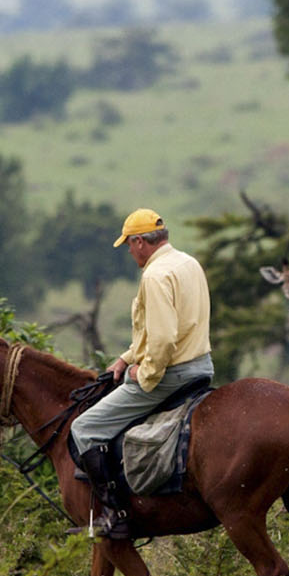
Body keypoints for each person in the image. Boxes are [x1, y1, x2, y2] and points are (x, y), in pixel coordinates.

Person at [70, 208, 213, 539]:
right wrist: (125, 357)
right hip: (201, 366)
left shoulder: (154, 275)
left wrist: (142, 374)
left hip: (170, 374)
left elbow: (162, 340)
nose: (130, 252)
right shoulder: (188, 263)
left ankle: (114, 516)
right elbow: (166, 327)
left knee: (85, 428)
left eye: (129, 245)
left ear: (139, 242)